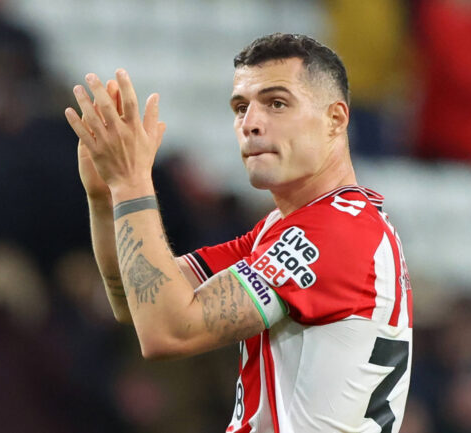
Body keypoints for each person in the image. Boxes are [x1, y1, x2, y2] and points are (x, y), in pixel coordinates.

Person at [64, 33, 413, 433]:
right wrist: (107, 198)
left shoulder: (333, 233)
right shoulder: (291, 228)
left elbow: (168, 331)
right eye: (241, 107)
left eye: (276, 104)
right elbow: (137, 302)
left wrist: (131, 183)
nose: (250, 124)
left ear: (335, 119)